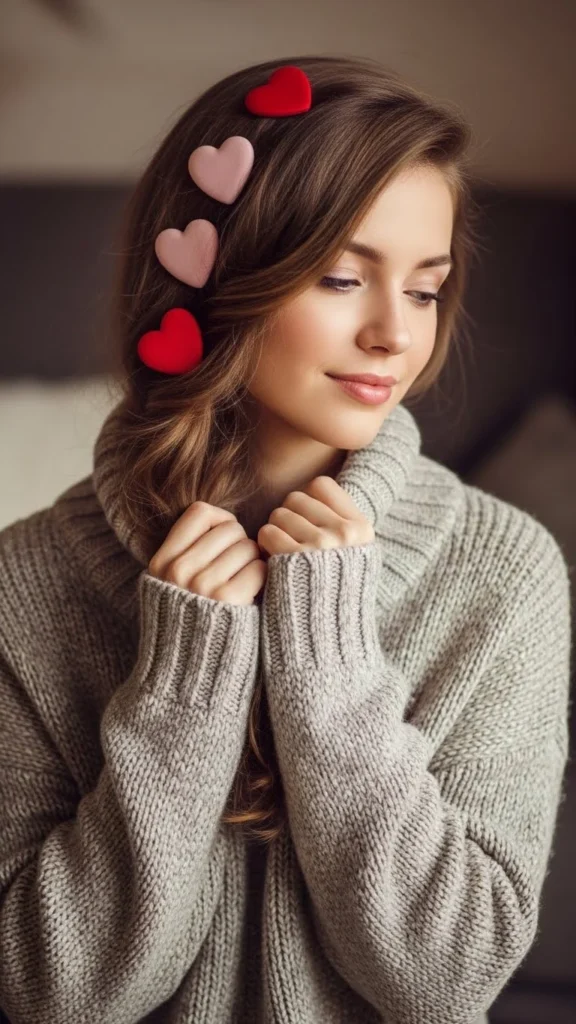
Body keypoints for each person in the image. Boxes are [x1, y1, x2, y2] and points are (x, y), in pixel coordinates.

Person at [0, 55, 571, 1024]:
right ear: (216, 278)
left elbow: (447, 981)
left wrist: (333, 665)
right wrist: (178, 693)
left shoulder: (508, 571)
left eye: (427, 289)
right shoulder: (26, 582)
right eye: (344, 276)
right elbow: (55, 995)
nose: (397, 333)